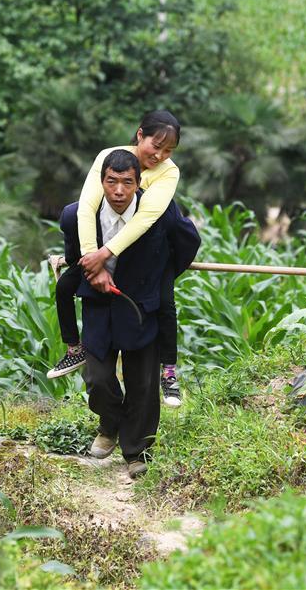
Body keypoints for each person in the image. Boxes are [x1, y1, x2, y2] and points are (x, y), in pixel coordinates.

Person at [59, 149, 200, 478]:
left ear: (139, 185)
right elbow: (74, 253)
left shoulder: (159, 213)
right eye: (111, 182)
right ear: (102, 182)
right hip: (98, 304)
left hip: (142, 307)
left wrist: (163, 276)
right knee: (97, 379)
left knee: (143, 384)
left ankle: (136, 451)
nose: (119, 191)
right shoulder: (78, 215)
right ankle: (109, 426)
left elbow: (188, 240)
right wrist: (89, 273)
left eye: (127, 183)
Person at [48, 111, 186, 408]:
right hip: (99, 253)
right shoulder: (110, 157)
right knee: (71, 220)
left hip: (148, 250)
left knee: (164, 302)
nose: (160, 155)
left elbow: (145, 219)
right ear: (140, 135)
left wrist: (104, 254)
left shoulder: (167, 172)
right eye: (156, 145)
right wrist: (90, 261)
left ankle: (169, 370)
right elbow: (86, 208)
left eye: (169, 150)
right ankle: (75, 349)